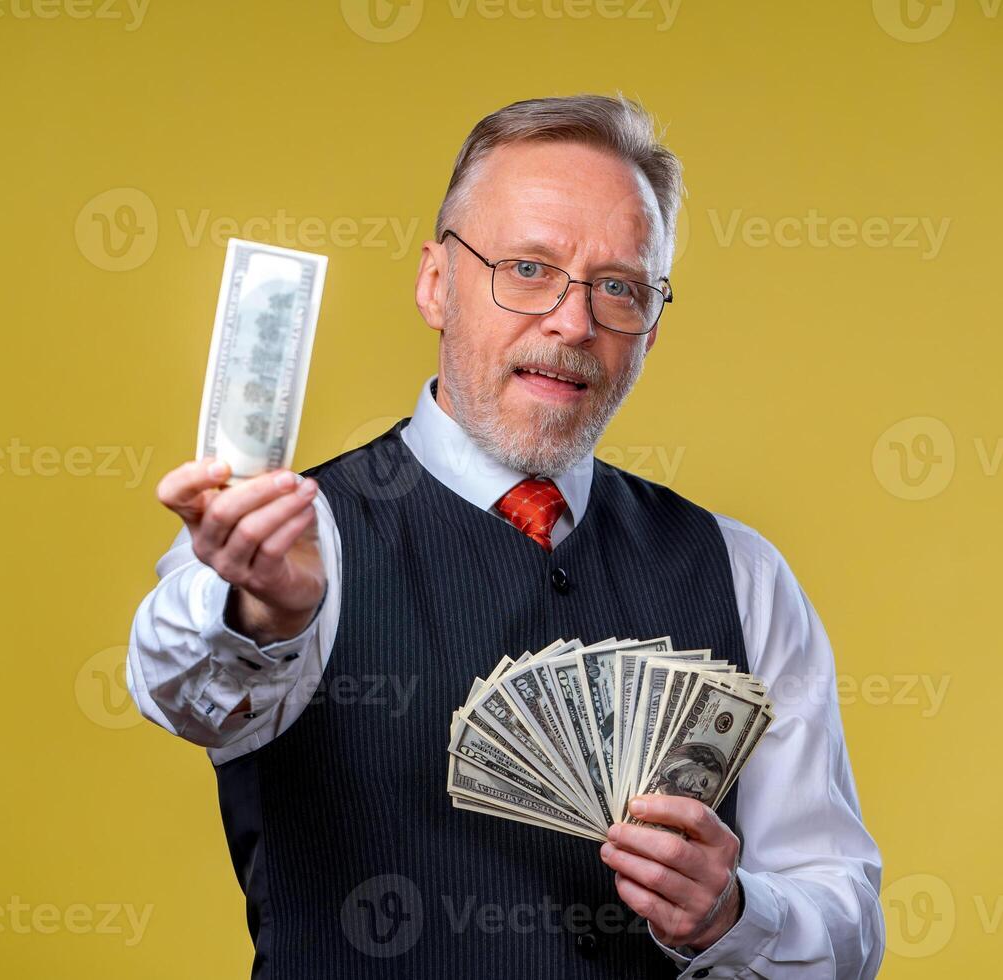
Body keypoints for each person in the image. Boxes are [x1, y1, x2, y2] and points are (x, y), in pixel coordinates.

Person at [127, 94, 885, 979]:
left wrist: (733, 913)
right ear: (435, 284)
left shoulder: (740, 573)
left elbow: (844, 923)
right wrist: (262, 610)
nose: (572, 323)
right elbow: (177, 684)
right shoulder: (297, 535)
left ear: (652, 325)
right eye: (528, 268)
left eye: (618, 287)